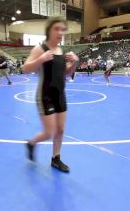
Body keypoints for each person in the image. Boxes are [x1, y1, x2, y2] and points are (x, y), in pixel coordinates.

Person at [23, 17, 78, 173]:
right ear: (49, 31)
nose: (60, 32)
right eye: (57, 29)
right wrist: (41, 59)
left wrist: (74, 62)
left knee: (60, 129)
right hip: (45, 95)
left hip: (60, 94)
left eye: (62, 29)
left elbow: (67, 74)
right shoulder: (40, 48)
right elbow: (26, 68)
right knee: (49, 133)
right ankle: (31, 143)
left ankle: (56, 159)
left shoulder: (61, 51)